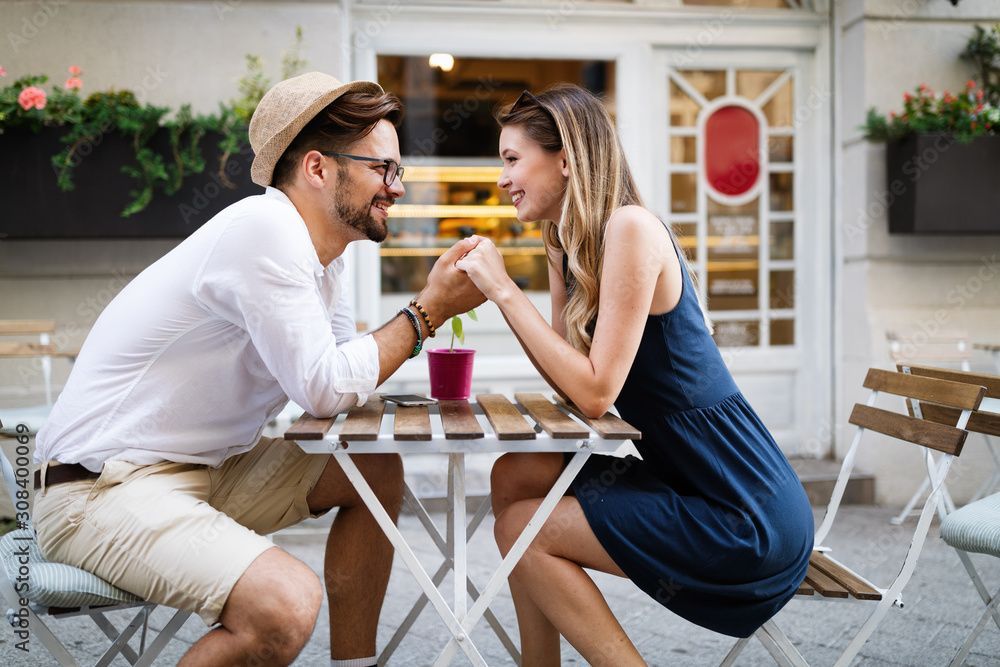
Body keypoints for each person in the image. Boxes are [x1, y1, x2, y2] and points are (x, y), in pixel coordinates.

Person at [32, 72, 484, 667]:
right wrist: (428, 311)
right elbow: (325, 388)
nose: (396, 188)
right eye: (383, 169)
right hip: (99, 490)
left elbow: (333, 381)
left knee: (371, 468)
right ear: (318, 168)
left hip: (204, 472)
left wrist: (411, 325)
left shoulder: (325, 258)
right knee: (284, 605)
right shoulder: (264, 230)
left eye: (397, 170)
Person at [455, 84, 813, 666]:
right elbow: (568, 381)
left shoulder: (632, 228)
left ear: (566, 158)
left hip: (745, 515)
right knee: (515, 473)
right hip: (688, 482)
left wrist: (502, 291)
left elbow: (595, 394)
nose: (503, 178)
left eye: (512, 159)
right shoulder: (567, 242)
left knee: (525, 527)